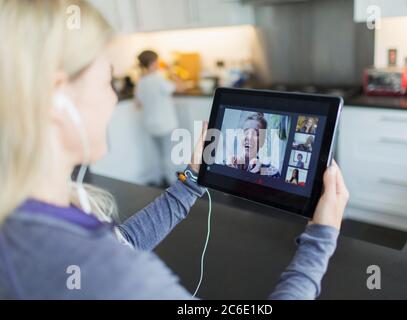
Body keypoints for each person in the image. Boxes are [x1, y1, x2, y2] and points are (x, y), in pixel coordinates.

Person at [0, 0, 349, 300]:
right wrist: (320, 239)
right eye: (106, 80)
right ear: (56, 97)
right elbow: (115, 263)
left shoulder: (26, 220)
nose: (112, 96)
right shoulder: (114, 277)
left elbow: (123, 242)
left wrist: (191, 181)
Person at [135, 50, 183, 186]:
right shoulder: (159, 80)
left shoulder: (141, 82)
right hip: (165, 124)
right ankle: (172, 182)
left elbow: (137, 104)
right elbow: (180, 87)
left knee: (157, 154)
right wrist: (171, 71)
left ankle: (158, 181)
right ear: (152, 63)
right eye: (157, 61)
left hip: (150, 125)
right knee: (169, 154)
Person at [227, 113, 280, 178]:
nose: (249, 137)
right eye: (246, 132)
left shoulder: (271, 173)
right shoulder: (227, 165)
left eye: (256, 133)